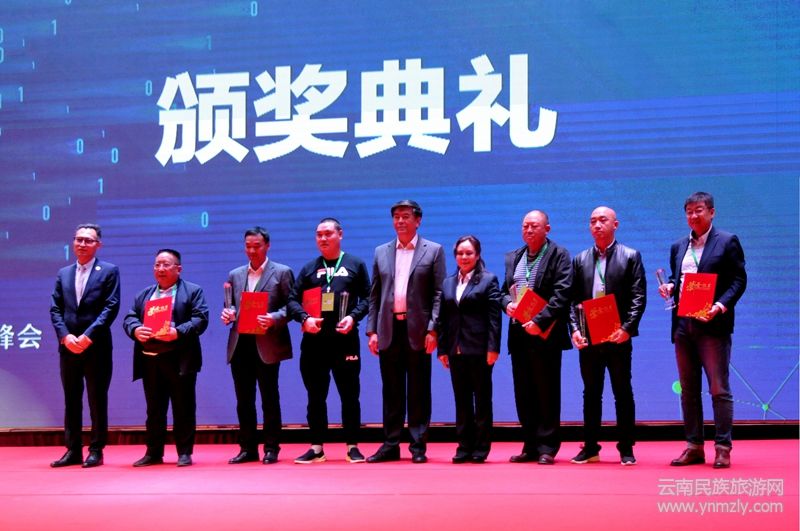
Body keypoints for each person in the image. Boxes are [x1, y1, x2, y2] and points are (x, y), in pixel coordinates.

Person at [659, 192, 746, 469]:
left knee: (719, 388)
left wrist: (720, 306)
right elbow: (679, 278)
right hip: (683, 325)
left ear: (711, 212)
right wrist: (670, 286)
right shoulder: (678, 246)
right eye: (689, 211)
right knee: (688, 390)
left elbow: (739, 280)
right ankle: (694, 446)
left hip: (712, 325)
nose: (693, 216)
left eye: (698, 210)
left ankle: (722, 447)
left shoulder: (727, 241)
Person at [366, 200, 446, 463]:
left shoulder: (433, 250)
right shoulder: (381, 251)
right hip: (388, 328)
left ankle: (417, 446)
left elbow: (438, 294)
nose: (400, 221)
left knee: (419, 390)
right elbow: (375, 295)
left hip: (419, 330)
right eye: (396, 217)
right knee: (391, 390)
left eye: (406, 216)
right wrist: (372, 330)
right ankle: (390, 444)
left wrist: (433, 329)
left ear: (418, 220)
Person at [287, 218, 371, 464]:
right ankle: (316, 448)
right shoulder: (309, 268)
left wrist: (353, 317)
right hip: (314, 343)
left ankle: (352, 446)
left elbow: (369, 298)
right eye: (318, 234)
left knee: (350, 395)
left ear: (340, 235)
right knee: (315, 396)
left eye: (327, 234)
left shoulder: (355, 264)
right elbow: (291, 300)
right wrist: (304, 319)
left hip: (345, 340)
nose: (323, 238)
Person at [569, 207, 646, 466]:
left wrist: (627, 329)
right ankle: (590, 447)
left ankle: (626, 447)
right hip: (589, 337)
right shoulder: (580, 259)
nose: (597, 225)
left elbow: (638, 297)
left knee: (622, 391)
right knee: (591, 393)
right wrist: (575, 330)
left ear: (616, 224)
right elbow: (572, 300)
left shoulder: (630, 256)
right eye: (593, 221)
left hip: (617, 335)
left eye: (603, 220)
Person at [123, 249, 208, 467]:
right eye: (157, 265)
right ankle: (153, 452)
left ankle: (184, 452)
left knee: (183, 408)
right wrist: (135, 329)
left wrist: (177, 332)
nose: (160, 269)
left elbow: (200, 319)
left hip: (180, 359)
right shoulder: (144, 294)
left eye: (166, 264)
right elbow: (130, 317)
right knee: (154, 409)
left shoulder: (192, 291)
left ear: (178, 269)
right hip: (150, 359)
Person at [501, 210, 572, 465]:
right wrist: (507, 304)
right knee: (524, 392)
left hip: (545, 334)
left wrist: (539, 321)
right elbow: (503, 291)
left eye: (534, 226)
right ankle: (530, 444)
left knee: (546, 391)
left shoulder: (559, 255)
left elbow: (562, 293)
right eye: (525, 226)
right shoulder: (514, 257)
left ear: (547, 229)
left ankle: (547, 447)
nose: (529, 230)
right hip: (519, 333)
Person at [49, 223, 121, 468]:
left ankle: (96, 449)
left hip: (96, 346)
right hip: (68, 346)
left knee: (96, 399)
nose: (82, 244)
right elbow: (56, 308)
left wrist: (89, 336)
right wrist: (65, 336)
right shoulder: (64, 273)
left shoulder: (109, 271)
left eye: (88, 240)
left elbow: (111, 307)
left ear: (98, 244)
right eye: (78, 239)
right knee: (71, 399)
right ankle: (73, 449)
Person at [222, 227, 294, 465]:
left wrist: (274, 317)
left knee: (269, 398)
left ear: (267, 246)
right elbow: (231, 305)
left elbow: (292, 307)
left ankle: (271, 447)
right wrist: (228, 313)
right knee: (244, 400)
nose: (252, 251)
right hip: (240, 343)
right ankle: (248, 448)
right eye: (248, 246)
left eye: (257, 246)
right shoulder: (235, 274)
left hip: (267, 342)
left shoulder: (282, 272)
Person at [436, 235, 502, 463]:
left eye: (469, 253)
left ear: (477, 255)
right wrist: (442, 349)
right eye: (460, 253)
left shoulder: (488, 280)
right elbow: (443, 319)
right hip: (455, 350)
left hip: (480, 350)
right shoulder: (448, 282)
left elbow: (494, 318)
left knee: (482, 400)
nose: (464, 257)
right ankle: (464, 446)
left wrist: (493, 347)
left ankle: (481, 448)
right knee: (461, 400)